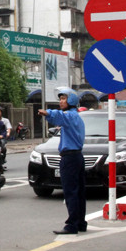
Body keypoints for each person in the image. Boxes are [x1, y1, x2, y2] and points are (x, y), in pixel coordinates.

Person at [38, 87, 87, 235]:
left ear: (71, 100)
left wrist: (47, 113)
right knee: (79, 192)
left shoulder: (70, 116)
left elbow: (59, 116)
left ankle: (71, 225)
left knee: (70, 192)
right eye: (60, 99)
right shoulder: (76, 117)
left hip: (70, 158)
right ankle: (80, 223)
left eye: (63, 98)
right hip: (77, 157)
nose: (60, 101)